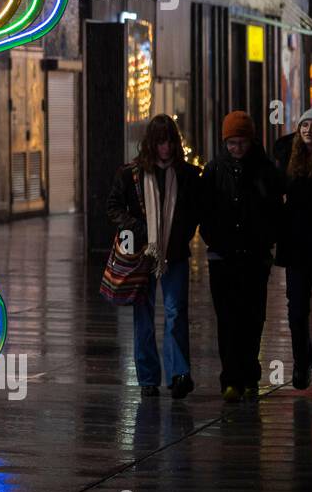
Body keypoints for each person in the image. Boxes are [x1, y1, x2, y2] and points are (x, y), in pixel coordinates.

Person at [107, 113, 202, 399]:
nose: (166, 148)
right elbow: (113, 207)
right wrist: (138, 229)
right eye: (161, 142)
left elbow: (195, 211)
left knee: (176, 312)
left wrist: (182, 233)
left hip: (174, 254)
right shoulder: (131, 174)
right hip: (142, 255)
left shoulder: (187, 175)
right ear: (151, 143)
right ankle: (148, 378)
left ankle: (178, 374)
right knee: (143, 316)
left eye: (170, 142)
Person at [199, 111, 282, 402]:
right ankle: (231, 379)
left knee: (252, 318)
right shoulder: (213, 170)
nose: (237, 148)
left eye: (242, 142)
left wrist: (265, 240)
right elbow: (205, 210)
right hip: (223, 257)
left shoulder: (265, 170)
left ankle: (249, 375)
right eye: (232, 143)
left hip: (255, 257)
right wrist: (215, 240)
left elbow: (275, 210)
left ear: (251, 140)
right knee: (227, 319)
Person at [275, 107, 312, 398]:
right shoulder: (286, 156)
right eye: (304, 125)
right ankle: (302, 361)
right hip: (295, 247)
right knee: (296, 311)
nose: (309, 130)